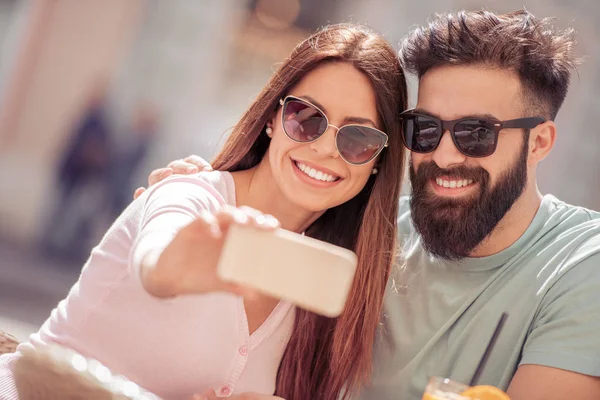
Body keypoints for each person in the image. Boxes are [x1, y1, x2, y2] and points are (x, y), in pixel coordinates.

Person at [143, 10, 600, 400]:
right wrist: (195, 194)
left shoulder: (582, 265)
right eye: (425, 129)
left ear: (539, 141)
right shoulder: (367, 231)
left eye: (476, 134)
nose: (443, 155)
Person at [0, 24, 408, 400]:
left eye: (358, 137)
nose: (324, 148)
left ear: (377, 161)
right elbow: (157, 258)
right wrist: (173, 265)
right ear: (271, 118)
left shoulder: (325, 283)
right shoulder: (191, 194)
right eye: (305, 118)